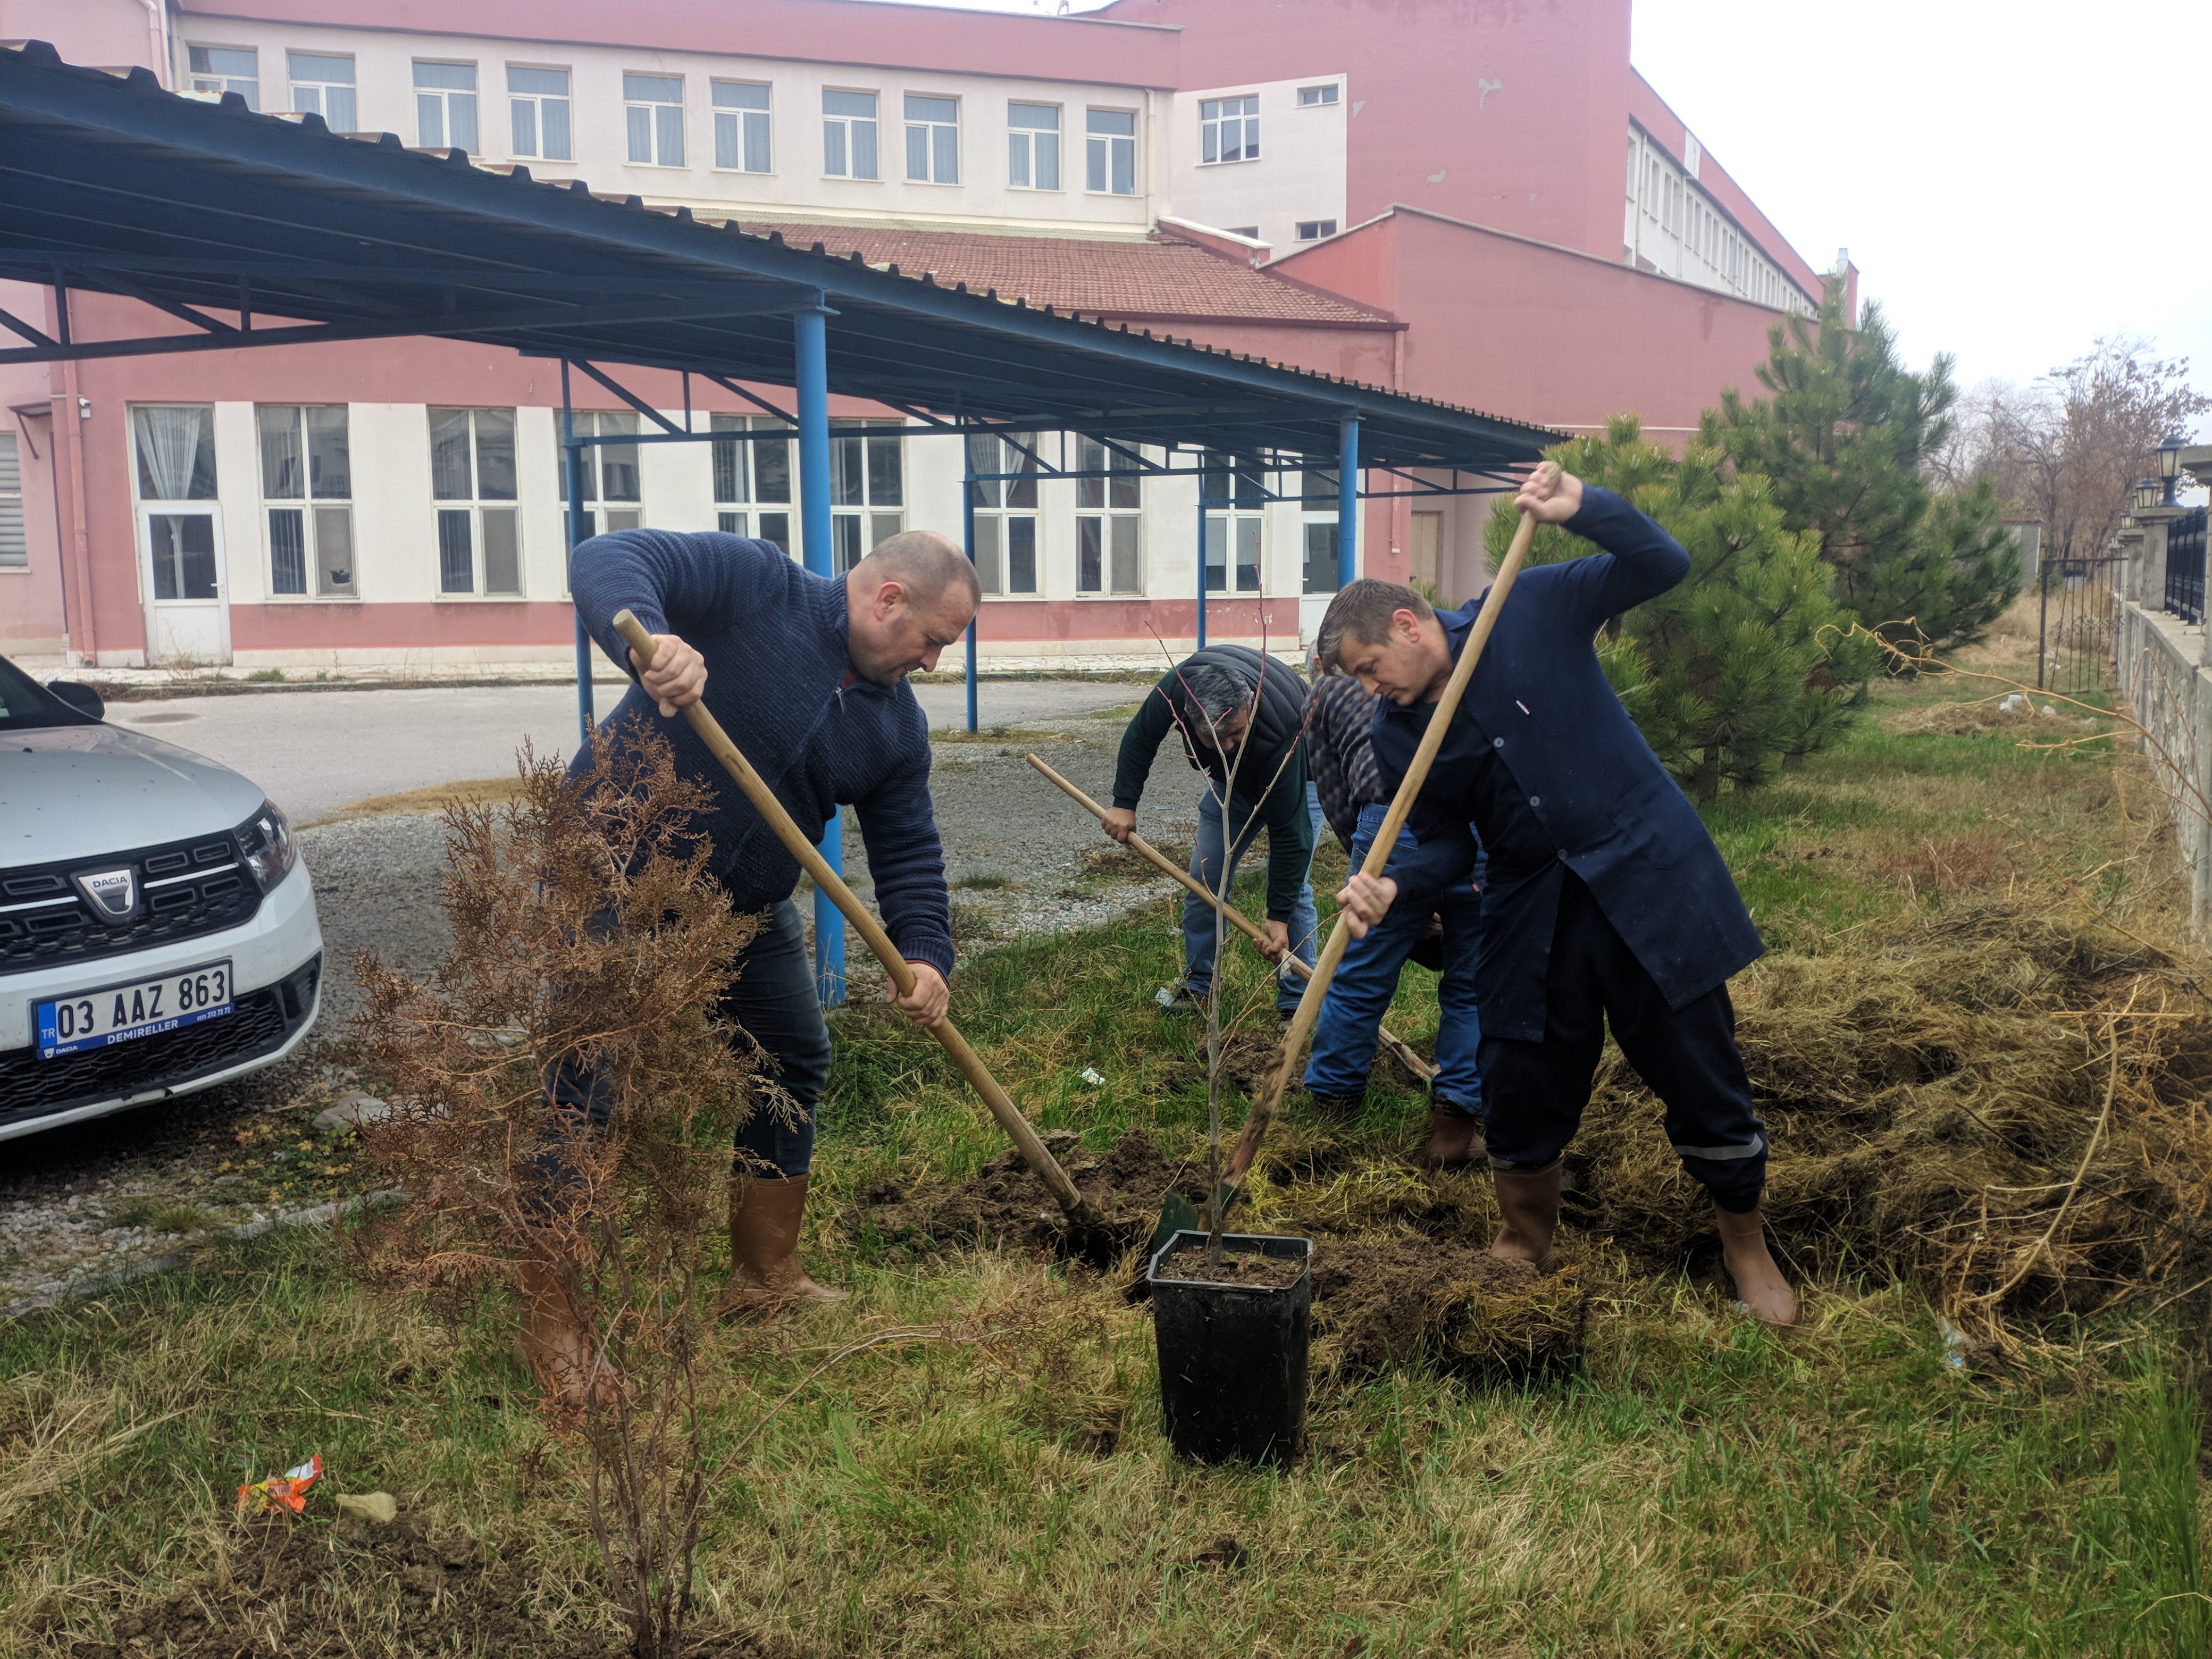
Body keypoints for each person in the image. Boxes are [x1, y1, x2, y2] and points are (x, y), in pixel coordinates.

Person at [1321, 463, 1797, 1326]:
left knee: (1701, 1069)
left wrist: (1588, 508)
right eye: (1356, 681)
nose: (1368, 689)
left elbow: (1665, 565)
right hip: (1530, 909)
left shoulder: (1529, 606)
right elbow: (1440, 842)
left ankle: (1745, 1243)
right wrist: (1395, 883)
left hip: (1646, 879)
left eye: (1367, 667)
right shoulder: (1397, 733)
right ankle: (1524, 1240)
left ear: (1405, 623)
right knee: (1517, 1075)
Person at [527, 526, 975, 1397]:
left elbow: (910, 849)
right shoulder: (762, 587)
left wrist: (924, 954)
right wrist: (657, 644)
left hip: (736, 903)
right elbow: (609, 559)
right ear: (889, 600)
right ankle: (558, 1332)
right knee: (589, 1082)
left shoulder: (895, 726)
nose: (932, 662)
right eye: (934, 640)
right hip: (616, 866)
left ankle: (765, 1277)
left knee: (790, 1056)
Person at [1301, 669, 1486, 1166]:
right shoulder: (1451, 667)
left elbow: (1333, 791)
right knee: (1474, 985)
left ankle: (1331, 1115)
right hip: (1481, 819)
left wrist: (1366, 869)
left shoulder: (1323, 691)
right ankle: (1454, 1132)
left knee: (1360, 975)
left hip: (1389, 821)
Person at [1100, 646, 1321, 1024]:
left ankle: (1298, 1000)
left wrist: (1277, 918)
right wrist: (1124, 803)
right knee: (1204, 873)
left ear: (1248, 704)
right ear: (1189, 716)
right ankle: (1200, 984)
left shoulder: (1280, 725)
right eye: (1214, 739)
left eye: (1235, 734)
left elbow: (1290, 834)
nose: (1228, 747)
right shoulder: (1177, 689)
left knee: (1290, 885)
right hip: (1230, 789)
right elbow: (1141, 736)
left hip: (1303, 776)